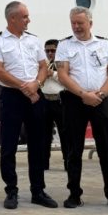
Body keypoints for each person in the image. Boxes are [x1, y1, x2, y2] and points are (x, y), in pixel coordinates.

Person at [55, 7, 108, 210]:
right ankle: (74, 193)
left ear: (90, 23)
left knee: (106, 149)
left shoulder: (104, 45)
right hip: (75, 100)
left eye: (80, 23)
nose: (76, 26)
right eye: (73, 22)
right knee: (74, 150)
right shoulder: (64, 45)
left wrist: (99, 95)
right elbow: (63, 75)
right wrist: (83, 94)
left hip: (102, 99)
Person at [0, 1, 57, 209]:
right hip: (11, 95)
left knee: (38, 144)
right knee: (9, 145)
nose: (29, 20)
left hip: (35, 94)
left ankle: (38, 190)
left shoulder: (34, 40)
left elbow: (43, 66)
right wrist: (23, 87)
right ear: (12, 19)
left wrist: (35, 84)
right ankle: (11, 190)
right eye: (25, 17)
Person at [41, 39, 67, 170]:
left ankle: (68, 161)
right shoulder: (42, 63)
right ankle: (44, 163)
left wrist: (53, 74)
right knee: (44, 134)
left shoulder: (63, 63)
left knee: (65, 133)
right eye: (47, 51)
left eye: (53, 50)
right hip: (45, 100)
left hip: (60, 100)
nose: (50, 53)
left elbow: (68, 81)